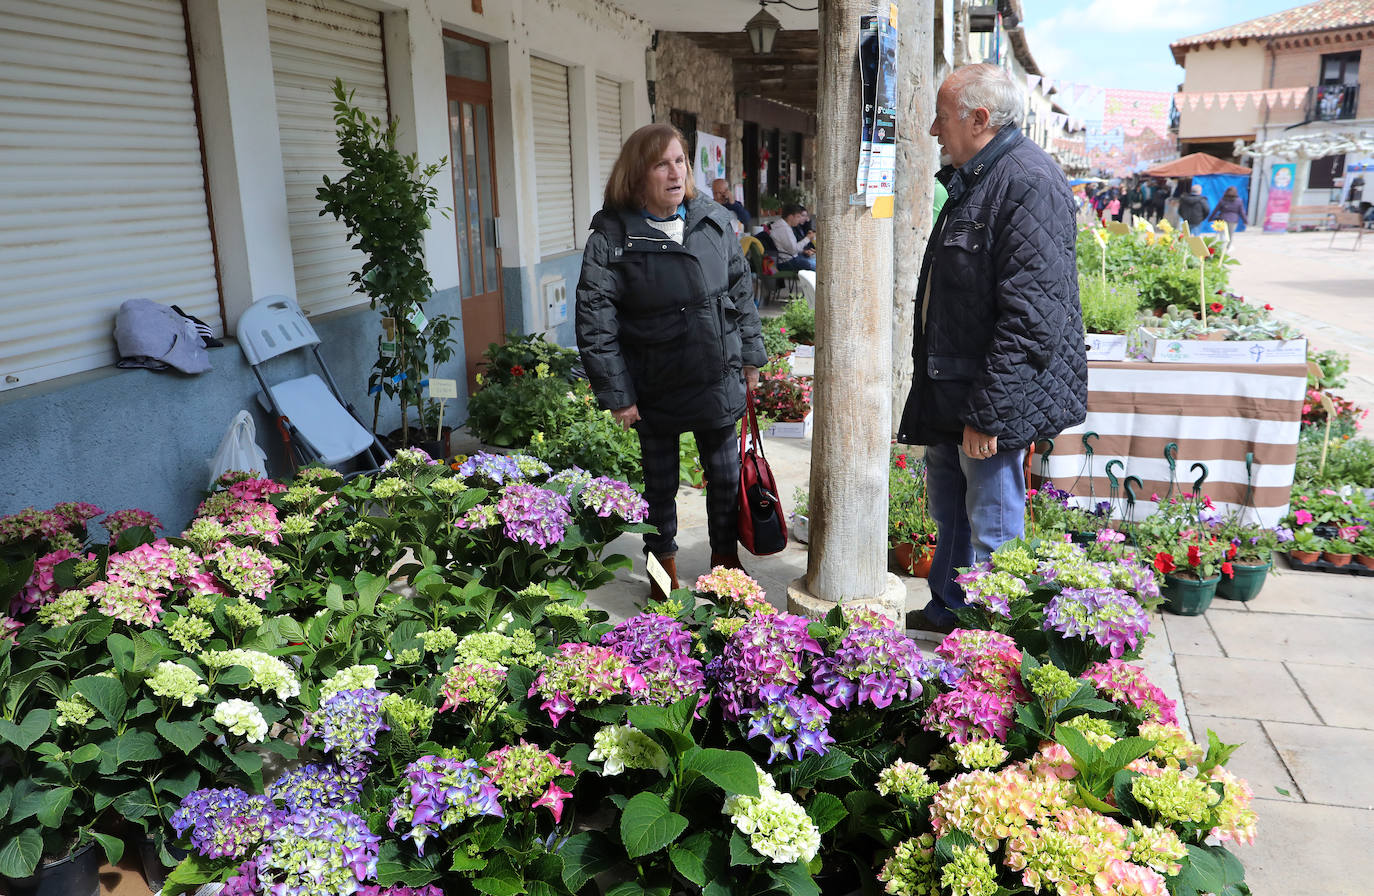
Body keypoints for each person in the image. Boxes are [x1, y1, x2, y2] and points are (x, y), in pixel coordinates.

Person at [897, 63, 1088, 634]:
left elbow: (1033, 319)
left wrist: (990, 414)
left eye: (942, 116)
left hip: (986, 398)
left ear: (979, 119)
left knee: (993, 525)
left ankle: (989, 644)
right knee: (949, 509)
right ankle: (949, 611)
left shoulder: (1027, 180)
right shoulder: (978, 177)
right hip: (954, 388)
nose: (934, 129)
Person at [576, 123, 767, 599]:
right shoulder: (612, 237)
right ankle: (662, 578)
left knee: (725, 484)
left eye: (680, 161)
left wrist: (750, 358)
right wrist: (619, 396)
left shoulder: (713, 220)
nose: (674, 172)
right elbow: (595, 322)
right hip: (654, 386)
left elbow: (741, 293)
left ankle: (726, 570)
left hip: (715, 377)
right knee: (658, 494)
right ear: (638, 175)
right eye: (662, 163)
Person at [767, 204, 816, 271]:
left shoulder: (783, 226)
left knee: (814, 261)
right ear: (790, 217)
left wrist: (804, 251)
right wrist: (808, 238)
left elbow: (790, 248)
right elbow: (793, 250)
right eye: (798, 217)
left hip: (789, 258)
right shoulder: (783, 229)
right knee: (817, 265)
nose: (799, 220)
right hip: (787, 262)